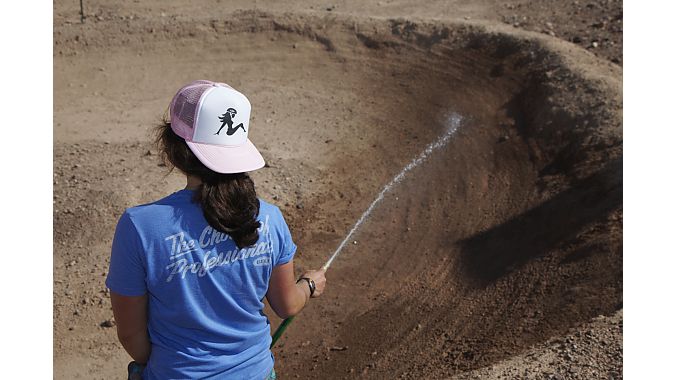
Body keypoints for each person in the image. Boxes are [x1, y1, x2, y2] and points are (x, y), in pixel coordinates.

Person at [105, 80, 327, 379]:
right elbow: (287, 305)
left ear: (174, 151)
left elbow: (131, 335)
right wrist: (309, 285)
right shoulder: (271, 219)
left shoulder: (140, 226)